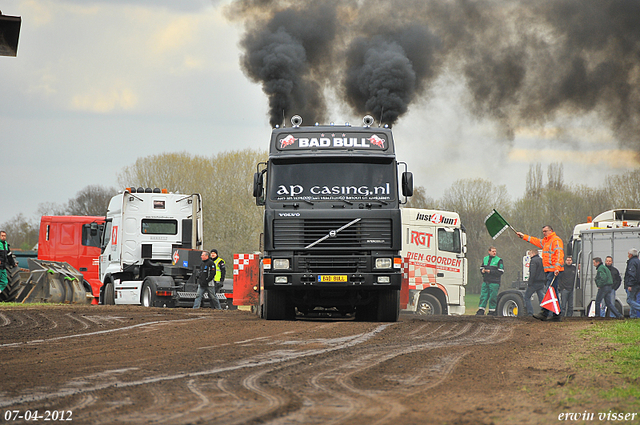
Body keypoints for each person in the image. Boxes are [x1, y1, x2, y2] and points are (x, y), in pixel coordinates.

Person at [516, 225, 564, 321]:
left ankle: (545, 313)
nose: (544, 233)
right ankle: (556, 314)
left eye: (545, 231)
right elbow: (536, 241)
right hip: (549, 271)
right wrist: (523, 236)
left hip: (553, 271)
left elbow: (559, 254)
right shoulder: (546, 241)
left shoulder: (556, 240)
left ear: (551, 230)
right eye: (543, 231)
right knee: (552, 292)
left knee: (550, 292)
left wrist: (557, 268)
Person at [476, 246, 504, 316]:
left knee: (492, 297)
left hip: (494, 282)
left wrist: (490, 271)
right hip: (486, 281)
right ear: (489, 252)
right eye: (493, 251)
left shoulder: (499, 260)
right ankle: (481, 310)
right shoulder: (485, 259)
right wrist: (482, 271)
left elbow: (501, 271)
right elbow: (481, 267)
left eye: (495, 251)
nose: (494, 253)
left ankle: (492, 311)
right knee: (483, 296)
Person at [524, 249, 546, 317]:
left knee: (527, 297)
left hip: (534, 282)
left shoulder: (533, 261)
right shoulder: (541, 260)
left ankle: (530, 313)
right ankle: (544, 312)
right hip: (541, 282)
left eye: (530, 253)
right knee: (541, 298)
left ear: (533, 253)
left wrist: (530, 283)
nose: (529, 255)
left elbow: (532, 273)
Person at [624, 248, 640, 319]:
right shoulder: (638, 261)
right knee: (633, 299)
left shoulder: (632, 262)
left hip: (633, 284)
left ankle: (637, 310)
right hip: (638, 284)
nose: (628, 256)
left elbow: (632, 274)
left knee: (629, 300)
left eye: (628, 254)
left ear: (630, 255)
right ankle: (633, 316)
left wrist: (630, 285)